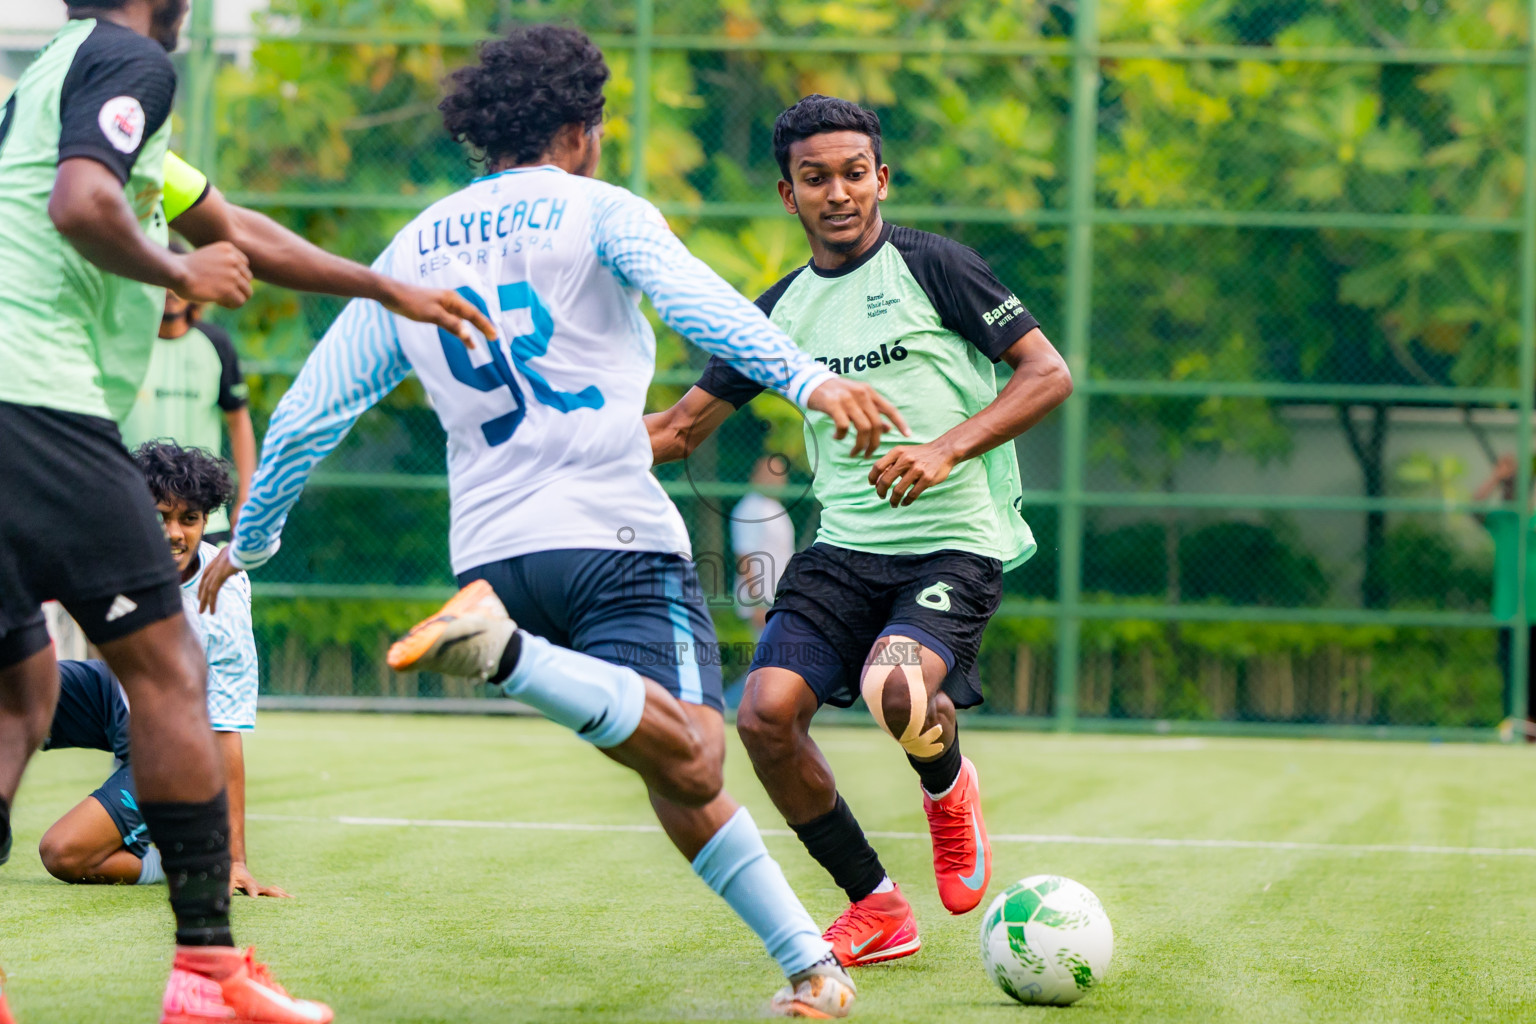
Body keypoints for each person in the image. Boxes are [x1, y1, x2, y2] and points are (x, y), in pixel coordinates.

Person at [197, 25, 905, 1020]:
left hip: (494, 552)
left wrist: (252, 539)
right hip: (614, 536)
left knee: (670, 764)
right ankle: (504, 655)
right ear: (580, 130)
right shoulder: (600, 208)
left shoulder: (412, 245)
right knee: (698, 752)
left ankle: (809, 968)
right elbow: (699, 301)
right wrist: (809, 378)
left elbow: (316, 405)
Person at [0, 3, 493, 1021]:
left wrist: (384, 288)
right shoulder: (130, 57)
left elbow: (237, 228)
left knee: (19, 697)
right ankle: (208, 977)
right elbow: (83, 203)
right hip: (39, 405)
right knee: (175, 670)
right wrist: (179, 270)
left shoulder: (55, 77)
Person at [645, 95, 1073, 968]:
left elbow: (1047, 373)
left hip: (953, 538)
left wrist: (945, 449)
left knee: (897, 687)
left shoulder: (936, 267)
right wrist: (561, 436)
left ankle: (947, 788)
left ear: (881, 178)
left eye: (852, 173)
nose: (837, 193)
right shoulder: (779, 312)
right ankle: (876, 904)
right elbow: (681, 430)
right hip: (842, 550)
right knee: (764, 716)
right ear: (787, 194)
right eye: (815, 178)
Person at [38, 441, 283, 897]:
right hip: (120, 696)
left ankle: (165, 859)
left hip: (177, 746)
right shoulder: (114, 555)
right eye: (159, 517)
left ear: (205, 521)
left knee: (64, 852)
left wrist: (232, 862)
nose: (173, 532)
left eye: (188, 519)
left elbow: (225, 732)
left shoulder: (221, 604)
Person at [121, 249, 256, 543]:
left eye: (179, 278)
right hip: (134, 512)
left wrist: (247, 494)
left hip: (202, 516)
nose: (170, 289)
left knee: (208, 590)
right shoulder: (124, 343)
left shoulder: (215, 343)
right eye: (161, 278)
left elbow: (239, 420)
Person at [1475, 454, 1536, 733]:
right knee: (1512, 675)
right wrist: (1498, 478)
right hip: (1509, 612)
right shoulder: (1503, 522)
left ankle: (1531, 731)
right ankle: (1516, 727)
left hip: (1534, 615)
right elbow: (1473, 508)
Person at [732, 454, 799, 636]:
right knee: (765, 659)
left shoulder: (775, 507)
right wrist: (757, 604)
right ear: (756, 476)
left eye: (780, 474)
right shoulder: (750, 508)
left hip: (780, 599)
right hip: (762, 603)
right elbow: (744, 556)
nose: (777, 479)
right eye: (770, 473)